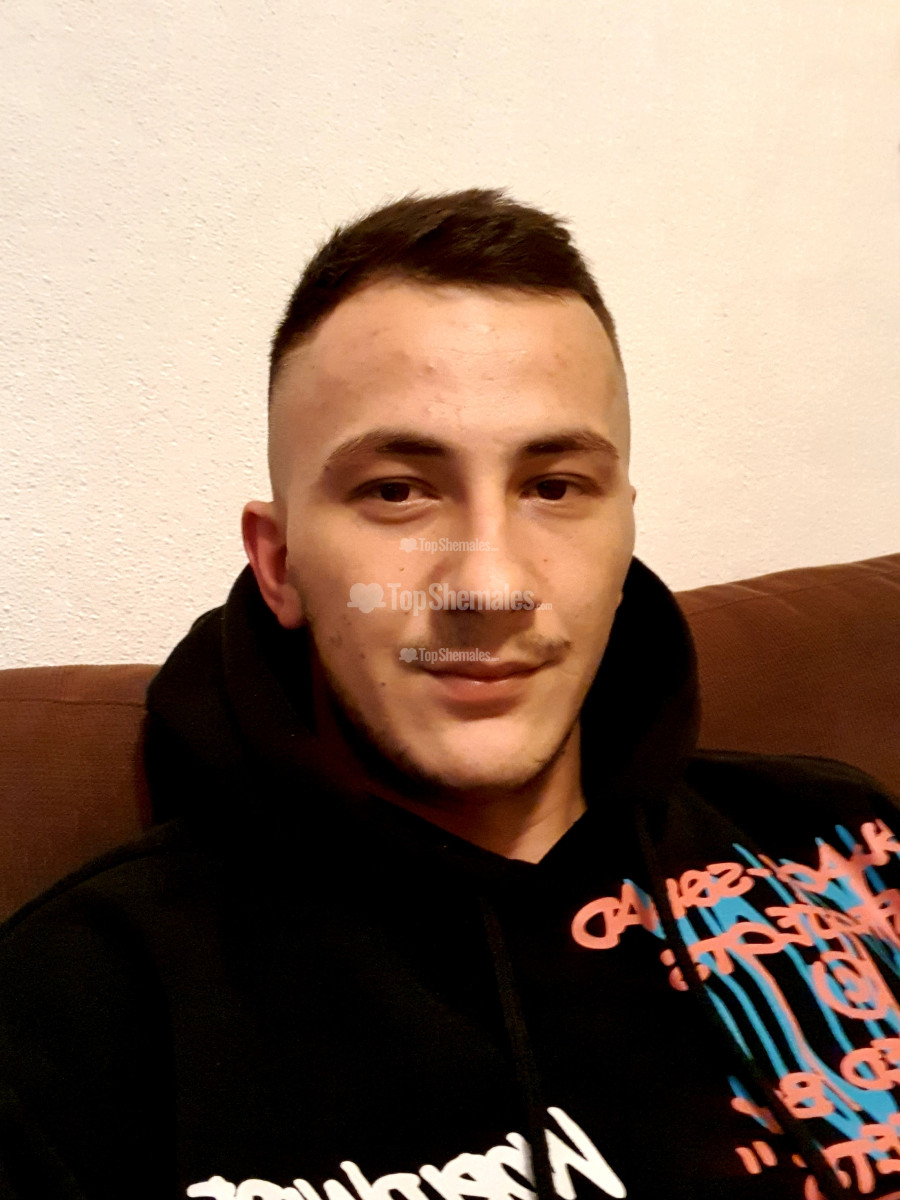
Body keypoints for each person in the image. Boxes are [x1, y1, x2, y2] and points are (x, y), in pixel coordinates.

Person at [1, 189, 899, 1200]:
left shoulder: (850, 840)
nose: (489, 586)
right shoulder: (81, 1005)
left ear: (624, 531)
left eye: (554, 487)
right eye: (397, 490)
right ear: (280, 563)